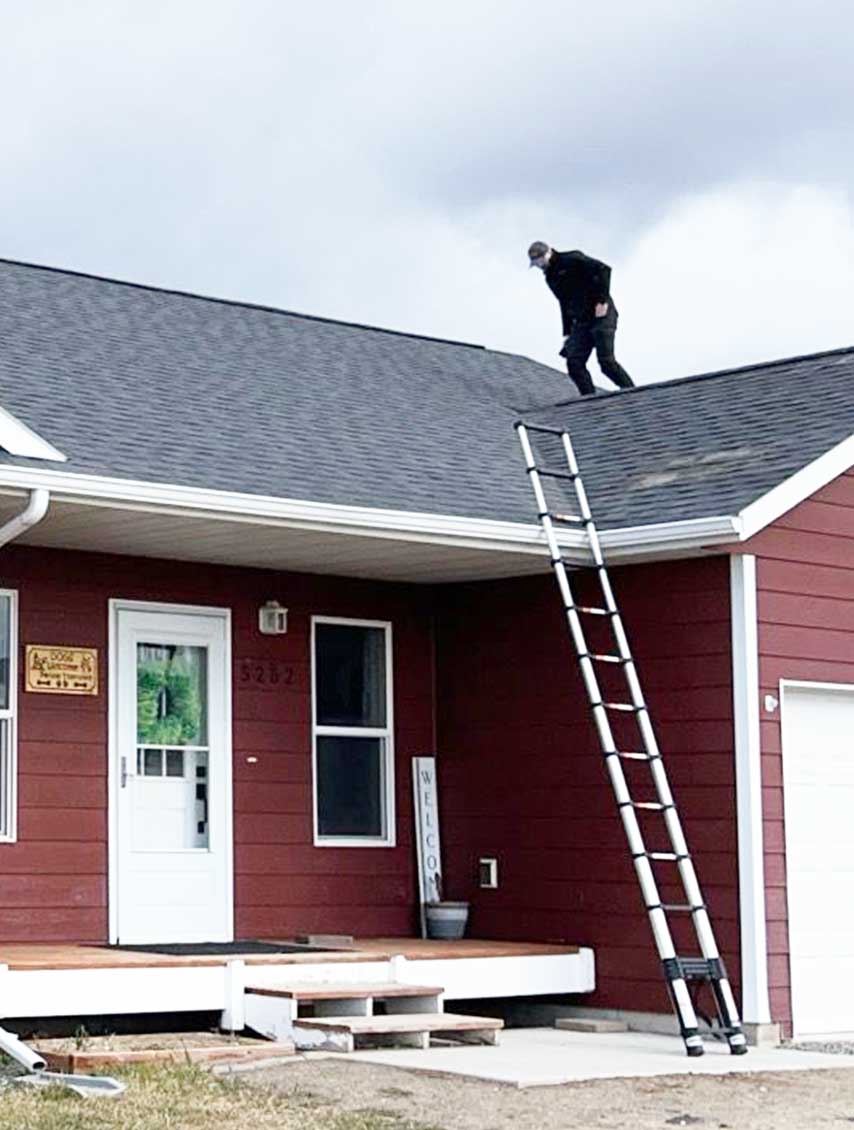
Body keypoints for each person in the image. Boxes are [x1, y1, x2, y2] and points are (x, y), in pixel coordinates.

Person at [528, 241, 634, 396]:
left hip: (601, 315)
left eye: (540, 260)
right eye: (536, 263)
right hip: (582, 321)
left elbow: (604, 270)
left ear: (549, 252)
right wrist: (567, 332)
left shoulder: (572, 258)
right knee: (574, 362)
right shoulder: (550, 278)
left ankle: (632, 392)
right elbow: (564, 304)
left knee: (606, 362)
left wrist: (602, 301)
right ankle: (589, 400)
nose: (539, 264)